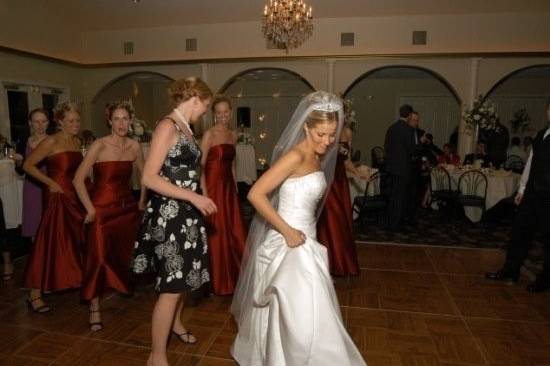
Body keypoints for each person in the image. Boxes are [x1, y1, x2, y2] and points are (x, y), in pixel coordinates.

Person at [231, 91, 366, 366]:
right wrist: (287, 232)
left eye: (331, 135)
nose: (327, 141)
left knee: (306, 312)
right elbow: (255, 194)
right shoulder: (294, 156)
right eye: (321, 134)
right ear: (306, 126)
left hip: (309, 241)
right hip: (289, 243)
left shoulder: (318, 156)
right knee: (299, 313)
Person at [131, 77, 217, 366]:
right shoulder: (168, 126)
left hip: (186, 214)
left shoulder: (186, 127)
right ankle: (157, 356)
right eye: (204, 106)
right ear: (194, 99)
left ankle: (177, 324)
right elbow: (149, 177)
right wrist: (193, 198)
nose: (204, 112)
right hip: (170, 215)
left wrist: (198, 198)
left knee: (182, 282)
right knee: (170, 286)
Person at [73, 101, 146, 331]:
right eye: (117, 119)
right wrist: (90, 209)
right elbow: (77, 180)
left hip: (126, 209)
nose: (121, 123)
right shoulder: (99, 145)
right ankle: (94, 308)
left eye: (125, 118)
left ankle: (116, 288)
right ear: (109, 121)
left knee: (122, 254)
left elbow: (146, 177)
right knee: (98, 257)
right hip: (102, 210)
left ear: (131, 121)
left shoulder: (135, 146)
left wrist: (142, 200)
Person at [22, 101, 86, 313]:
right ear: (60, 122)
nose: (76, 124)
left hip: (73, 195)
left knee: (69, 241)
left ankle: (64, 278)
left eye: (77, 120)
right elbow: (28, 165)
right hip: (56, 196)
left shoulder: (76, 142)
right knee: (48, 241)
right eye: (71, 121)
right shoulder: (51, 141)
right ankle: (34, 293)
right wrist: (50, 183)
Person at [486, 100, 550, 293]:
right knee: (519, 233)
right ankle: (510, 271)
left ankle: (545, 279)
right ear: (547, 111)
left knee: (549, 240)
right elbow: (530, 163)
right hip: (531, 193)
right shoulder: (541, 135)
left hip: (548, 197)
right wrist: (521, 189)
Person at [199, 95, 246, 295]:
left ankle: (234, 276)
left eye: (226, 112)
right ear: (214, 115)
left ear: (231, 112)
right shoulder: (209, 135)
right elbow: (199, 166)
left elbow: (233, 163)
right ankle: (216, 279)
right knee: (216, 230)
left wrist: (234, 186)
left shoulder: (233, 135)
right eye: (219, 113)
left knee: (232, 229)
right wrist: (204, 192)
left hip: (227, 188)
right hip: (212, 186)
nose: (223, 116)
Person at [316, 119, 360, 276]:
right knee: (330, 220)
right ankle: (328, 264)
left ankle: (342, 262)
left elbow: (347, 160)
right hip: (328, 181)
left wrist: (357, 172)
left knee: (342, 221)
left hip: (341, 182)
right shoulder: (324, 131)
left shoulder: (347, 133)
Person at [384, 104, 416, 232]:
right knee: (401, 197)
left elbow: (386, 146)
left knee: (392, 196)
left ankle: (390, 221)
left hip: (391, 168)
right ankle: (396, 224)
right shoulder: (409, 130)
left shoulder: (391, 128)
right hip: (403, 169)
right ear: (409, 115)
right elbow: (412, 149)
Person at [21, 109, 49, 240]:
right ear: (30, 123)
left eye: (43, 121)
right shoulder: (25, 141)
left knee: (48, 224)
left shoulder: (52, 141)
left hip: (47, 185)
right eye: (36, 122)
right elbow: (21, 170)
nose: (40, 125)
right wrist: (19, 162)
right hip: (31, 186)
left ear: (48, 123)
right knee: (34, 227)